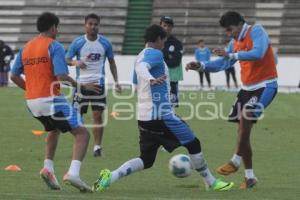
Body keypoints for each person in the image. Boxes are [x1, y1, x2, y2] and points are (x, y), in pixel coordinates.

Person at [92, 24, 234, 192]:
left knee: (147, 159)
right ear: (159, 39)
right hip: (161, 116)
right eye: (164, 39)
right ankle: (211, 182)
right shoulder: (155, 54)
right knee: (193, 143)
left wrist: (149, 83)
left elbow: (137, 77)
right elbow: (143, 68)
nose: (164, 43)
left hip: (144, 117)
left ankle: (111, 176)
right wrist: (151, 79)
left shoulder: (140, 55)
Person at [186, 11, 278, 189]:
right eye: (226, 31)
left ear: (240, 24)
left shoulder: (257, 31)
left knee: (246, 115)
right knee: (243, 132)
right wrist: (202, 66)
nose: (229, 34)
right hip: (246, 89)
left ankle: (235, 161)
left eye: (230, 29)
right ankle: (250, 177)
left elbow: (258, 53)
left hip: (265, 86)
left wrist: (232, 55)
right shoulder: (233, 42)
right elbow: (223, 63)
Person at [10, 12, 101, 192]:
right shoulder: (54, 46)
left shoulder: (26, 47)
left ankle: (48, 168)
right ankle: (73, 173)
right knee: (82, 134)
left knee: (54, 129)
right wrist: (82, 86)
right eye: (57, 28)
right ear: (53, 27)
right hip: (50, 99)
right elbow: (61, 76)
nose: (57, 31)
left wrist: (31, 90)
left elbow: (13, 75)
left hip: (32, 103)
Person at [66, 13, 121, 157]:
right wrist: (74, 62)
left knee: (97, 115)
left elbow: (112, 63)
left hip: (98, 85)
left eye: (95, 24)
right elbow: (66, 58)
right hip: (81, 85)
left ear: (99, 26)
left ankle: (97, 147)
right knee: (77, 117)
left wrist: (116, 82)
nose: (93, 27)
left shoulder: (105, 43)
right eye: (90, 24)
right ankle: (80, 142)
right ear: (85, 25)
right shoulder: (78, 42)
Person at [160, 16, 183, 107]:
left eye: (169, 26)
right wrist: (168, 56)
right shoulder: (153, 41)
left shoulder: (176, 43)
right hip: (156, 79)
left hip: (172, 79)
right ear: (160, 25)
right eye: (165, 25)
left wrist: (162, 56)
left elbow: (175, 62)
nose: (167, 28)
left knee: (171, 107)